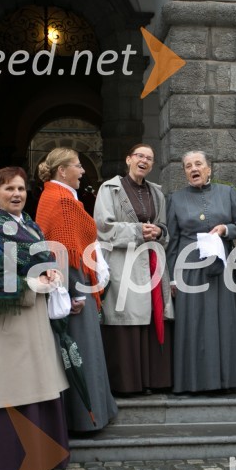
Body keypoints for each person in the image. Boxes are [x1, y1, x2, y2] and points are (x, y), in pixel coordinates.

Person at [0, 166, 69, 470]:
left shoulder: (33, 227)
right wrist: (30, 282)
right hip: (6, 326)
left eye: (21, 188)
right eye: (9, 188)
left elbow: (40, 263)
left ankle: (43, 459)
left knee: (37, 389)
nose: (16, 194)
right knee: (13, 390)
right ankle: (10, 465)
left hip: (33, 322)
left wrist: (52, 274)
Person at [35, 147, 118, 432]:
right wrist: (76, 292)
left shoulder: (52, 196)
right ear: (62, 170)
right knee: (81, 353)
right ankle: (85, 419)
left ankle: (82, 415)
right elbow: (66, 252)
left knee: (73, 354)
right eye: (78, 166)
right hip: (73, 290)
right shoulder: (62, 202)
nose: (83, 171)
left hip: (66, 287)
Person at [166, 150, 236, 393]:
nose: (194, 169)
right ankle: (194, 381)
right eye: (188, 166)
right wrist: (172, 277)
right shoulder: (176, 198)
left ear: (209, 168)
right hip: (189, 270)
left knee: (223, 321)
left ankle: (226, 379)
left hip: (222, 269)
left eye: (198, 164)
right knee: (194, 323)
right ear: (184, 172)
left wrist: (226, 228)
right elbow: (172, 242)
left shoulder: (228, 193)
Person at [94, 144, 174, 395]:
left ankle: (153, 380)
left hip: (152, 263)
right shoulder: (110, 189)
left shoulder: (157, 193)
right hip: (123, 263)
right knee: (127, 316)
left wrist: (159, 231)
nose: (144, 161)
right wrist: (139, 231)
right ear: (128, 159)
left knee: (152, 316)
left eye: (149, 158)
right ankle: (128, 384)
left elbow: (163, 227)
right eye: (139, 156)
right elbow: (102, 228)